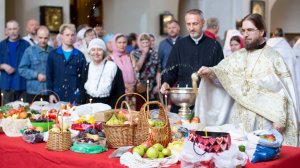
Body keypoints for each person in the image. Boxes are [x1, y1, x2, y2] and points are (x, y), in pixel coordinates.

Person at [196, 14, 298, 146]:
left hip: (264, 120)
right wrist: (211, 71)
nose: (245, 34)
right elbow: (223, 74)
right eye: (243, 31)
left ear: (261, 31)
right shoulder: (238, 56)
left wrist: (279, 118)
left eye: (250, 30)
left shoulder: (274, 58)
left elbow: (283, 92)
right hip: (239, 119)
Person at [160, 9, 224, 113]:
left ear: (203, 23)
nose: (191, 28)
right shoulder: (179, 45)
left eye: (195, 24)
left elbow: (221, 72)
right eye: (188, 24)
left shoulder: (214, 46)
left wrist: (211, 71)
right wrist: (166, 82)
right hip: (183, 99)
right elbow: (170, 70)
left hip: (207, 98)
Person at [46, 24, 86, 104]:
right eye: (67, 35)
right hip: (57, 95)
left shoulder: (79, 55)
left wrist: (81, 95)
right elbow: (49, 76)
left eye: (72, 35)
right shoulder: (53, 55)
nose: (70, 37)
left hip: (75, 95)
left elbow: (83, 78)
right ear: (61, 36)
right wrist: (50, 94)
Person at [79, 38, 125, 107]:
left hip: (109, 107)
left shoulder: (112, 67)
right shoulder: (87, 66)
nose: (96, 53)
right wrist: (80, 105)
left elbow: (120, 91)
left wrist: (118, 110)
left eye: (99, 50)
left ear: (103, 52)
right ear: (89, 52)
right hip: (90, 106)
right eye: (93, 50)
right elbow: (83, 89)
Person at [267, 28, 300, 121]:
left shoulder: (267, 46)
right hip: (287, 84)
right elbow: (294, 68)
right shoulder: (288, 49)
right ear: (283, 35)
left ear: (273, 35)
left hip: (270, 84)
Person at [19, 26, 53, 102]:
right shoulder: (29, 51)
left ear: (49, 38)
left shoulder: (53, 51)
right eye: (40, 38)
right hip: (33, 92)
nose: (43, 40)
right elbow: (22, 69)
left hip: (49, 92)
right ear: (36, 37)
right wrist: (36, 75)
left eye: (45, 38)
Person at [0, 20, 30, 104]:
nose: (13, 32)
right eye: (10, 29)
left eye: (15, 29)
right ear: (6, 31)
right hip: (6, 86)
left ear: (19, 29)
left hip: (22, 85)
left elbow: (31, 65)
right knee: (6, 113)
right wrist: (3, 66)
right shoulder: (1, 45)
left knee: (23, 112)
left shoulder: (26, 45)